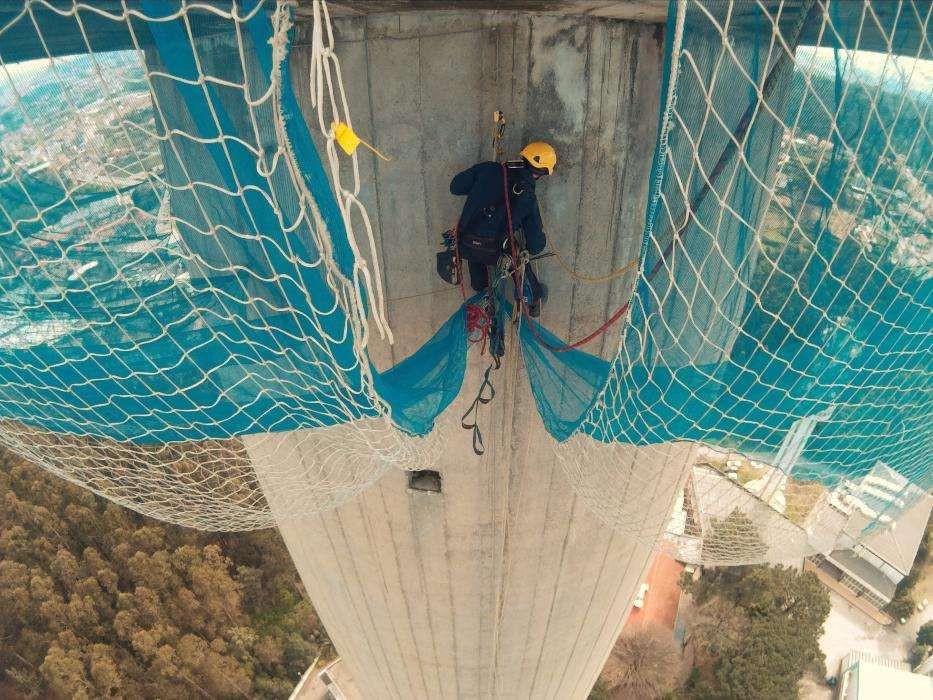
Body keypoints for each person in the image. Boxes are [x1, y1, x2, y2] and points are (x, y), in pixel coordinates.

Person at [449, 141, 555, 317]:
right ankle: (532, 296)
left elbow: (455, 187)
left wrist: (482, 186)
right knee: (516, 253)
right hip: (496, 250)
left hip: (465, 244)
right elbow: (535, 245)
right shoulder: (528, 197)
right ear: (541, 173)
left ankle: (483, 298)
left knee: (476, 251)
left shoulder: (488, 169)